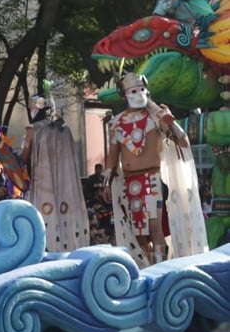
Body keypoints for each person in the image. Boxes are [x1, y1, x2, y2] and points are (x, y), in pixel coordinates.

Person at [102, 72, 207, 266]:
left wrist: (170, 121)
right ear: (124, 95)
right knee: (139, 233)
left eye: (142, 89)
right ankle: (147, 268)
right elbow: (112, 155)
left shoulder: (156, 117)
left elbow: (183, 141)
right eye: (133, 90)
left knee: (154, 228)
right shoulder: (116, 124)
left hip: (152, 180)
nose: (138, 93)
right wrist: (106, 182)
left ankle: (159, 268)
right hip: (129, 184)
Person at [19, 90, 89, 253]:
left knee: (45, 216)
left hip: (43, 183)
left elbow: (23, 157)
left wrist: (6, 151)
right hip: (66, 184)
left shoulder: (32, 129)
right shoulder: (65, 130)